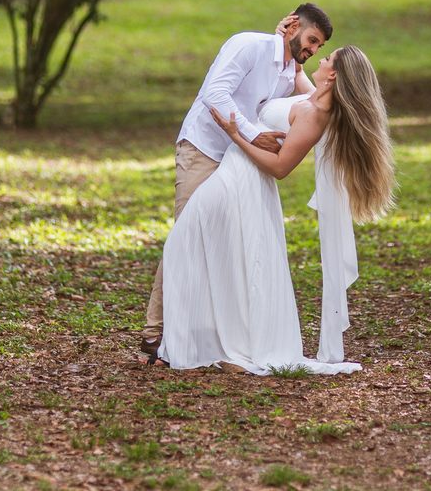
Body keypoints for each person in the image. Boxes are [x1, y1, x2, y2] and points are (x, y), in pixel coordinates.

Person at [158, 45, 395, 375]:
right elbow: (295, 70)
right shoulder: (315, 98)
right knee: (219, 256)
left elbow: (281, 167)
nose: (319, 58)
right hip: (234, 173)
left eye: (326, 58)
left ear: (334, 74)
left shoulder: (316, 115)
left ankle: (225, 345)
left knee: (182, 242)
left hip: (243, 180)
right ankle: (220, 343)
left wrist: (236, 135)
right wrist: (284, 36)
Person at [139, 4, 334, 365]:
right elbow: (215, 95)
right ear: (292, 25)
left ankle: (206, 332)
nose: (312, 50)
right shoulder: (248, 46)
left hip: (238, 165)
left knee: (223, 244)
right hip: (204, 149)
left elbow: (317, 98)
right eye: (310, 40)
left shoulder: (290, 70)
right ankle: (156, 333)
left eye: (318, 47)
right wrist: (254, 133)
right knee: (187, 235)